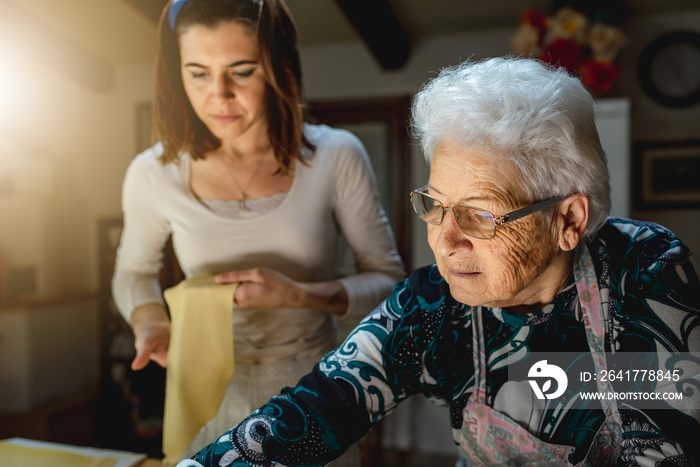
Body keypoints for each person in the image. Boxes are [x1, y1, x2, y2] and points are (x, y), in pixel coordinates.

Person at [175, 56, 700, 467]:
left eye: (480, 213)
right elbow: (320, 405)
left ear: (567, 220)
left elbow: (671, 446)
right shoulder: (432, 303)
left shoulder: (645, 270)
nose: (445, 241)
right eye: (434, 205)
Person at [111, 0, 405, 463]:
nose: (218, 95)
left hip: (317, 390)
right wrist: (149, 320)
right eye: (197, 73)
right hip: (203, 392)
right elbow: (133, 273)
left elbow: (389, 281)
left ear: (277, 67)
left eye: (241, 71)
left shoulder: (335, 156)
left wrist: (300, 295)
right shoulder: (153, 172)